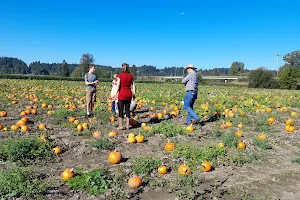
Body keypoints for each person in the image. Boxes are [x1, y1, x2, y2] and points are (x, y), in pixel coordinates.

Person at [116, 63, 136, 130]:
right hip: (128, 94)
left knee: (120, 110)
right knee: (127, 110)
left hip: (122, 94)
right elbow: (133, 85)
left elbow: (118, 85)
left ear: (122, 68)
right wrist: (134, 93)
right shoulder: (131, 76)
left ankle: (121, 126)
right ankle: (127, 125)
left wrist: (116, 94)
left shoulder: (120, 75)